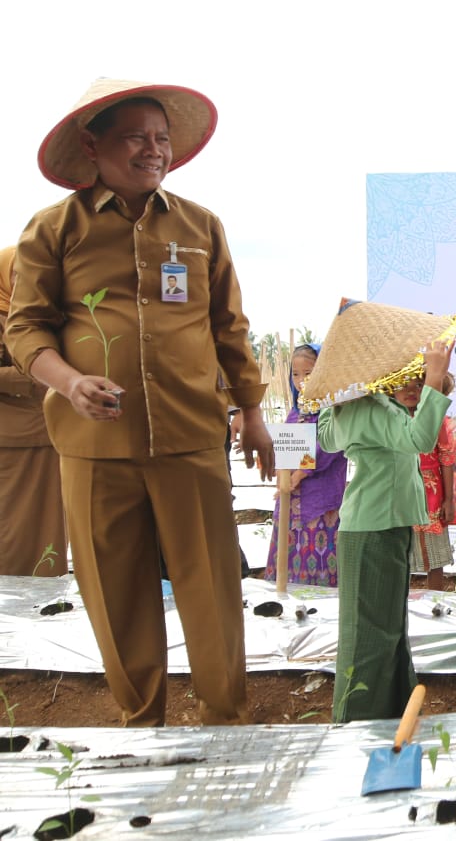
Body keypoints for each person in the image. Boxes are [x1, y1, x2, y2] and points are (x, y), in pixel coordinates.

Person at [7, 80, 274, 725]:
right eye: (136, 137)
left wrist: (253, 412)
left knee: (211, 586)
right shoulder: (53, 230)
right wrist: (70, 382)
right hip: (93, 444)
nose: (153, 150)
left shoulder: (199, 225)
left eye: (161, 139)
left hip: (190, 435)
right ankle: (141, 719)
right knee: (114, 589)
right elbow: (25, 329)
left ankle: (225, 718)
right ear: (93, 144)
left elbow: (228, 327)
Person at [307, 301, 455, 721]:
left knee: (385, 631)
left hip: (379, 526)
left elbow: (328, 432)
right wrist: (435, 380)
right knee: (371, 636)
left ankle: (389, 713)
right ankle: (357, 721)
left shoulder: (362, 407)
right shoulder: (366, 410)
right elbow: (422, 439)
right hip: (373, 530)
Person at [0, 245, 67, 576]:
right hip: (11, 440)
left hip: (49, 433)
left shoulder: (45, 315)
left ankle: (42, 595)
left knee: (49, 525)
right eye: (16, 275)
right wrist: (39, 371)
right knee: (12, 530)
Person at [262, 344, 347, 587]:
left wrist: (299, 474)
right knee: (287, 565)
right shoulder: (295, 412)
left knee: (320, 564)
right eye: (296, 374)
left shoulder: (333, 409)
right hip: (290, 500)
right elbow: (285, 446)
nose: (301, 381)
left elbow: (329, 446)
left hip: (320, 502)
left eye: (308, 374)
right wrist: (283, 477)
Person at [396, 371, 456, 592]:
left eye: (419, 385)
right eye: (404, 384)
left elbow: (446, 457)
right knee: (400, 554)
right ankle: (400, 603)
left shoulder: (435, 419)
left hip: (432, 496)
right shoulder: (391, 418)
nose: (411, 391)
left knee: (435, 559)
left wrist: (449, 500)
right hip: (400, 495)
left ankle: (436, 601)